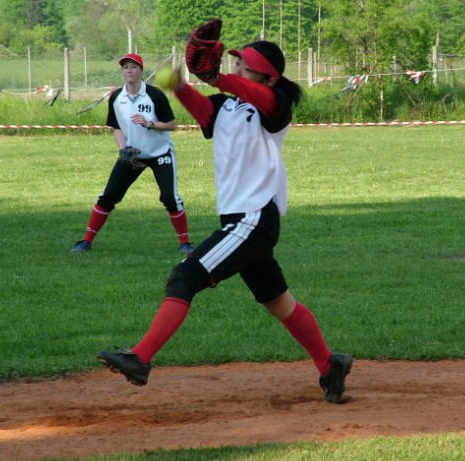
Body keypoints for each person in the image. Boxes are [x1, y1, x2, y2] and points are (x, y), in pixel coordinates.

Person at [97, 41, 352, 403]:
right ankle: (330, 366)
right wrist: (180, 85)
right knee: (279, 303)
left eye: (245, 66)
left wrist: (217, 78)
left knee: (184, 276)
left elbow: (257, 95)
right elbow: (203, 111)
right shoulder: (225, 104)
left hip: (253, 217)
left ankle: (140, 358)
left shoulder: (275, 105)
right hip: (240, 218)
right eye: (237, 63)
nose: (237, 69)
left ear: (268, 75)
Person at [71, 53, 194, 255]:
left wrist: (149, 124)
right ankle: (86, 241)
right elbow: (116, 127)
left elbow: (172, 124)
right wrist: (123, 149)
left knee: (169, 197)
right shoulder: (117, 97)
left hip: (159, 153)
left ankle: (185, 243)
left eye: (133, 67)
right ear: (122, 72)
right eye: (125, 67)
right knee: (109, 196)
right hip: (132, 155)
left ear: (141, 71)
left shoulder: (154, 95)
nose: (129, 70)